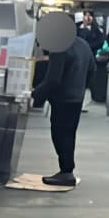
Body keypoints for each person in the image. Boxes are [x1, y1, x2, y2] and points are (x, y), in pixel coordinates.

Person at [31, 13, 94, 187]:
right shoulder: (83, 44)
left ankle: (66, 173)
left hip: (62, 98)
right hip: (76, 97)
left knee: (60, 135)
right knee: (69, 134)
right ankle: (67, 171)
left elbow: (53, 79)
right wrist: (81, 87)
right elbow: (92, 69)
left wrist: (35, 95)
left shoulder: (59, 47)